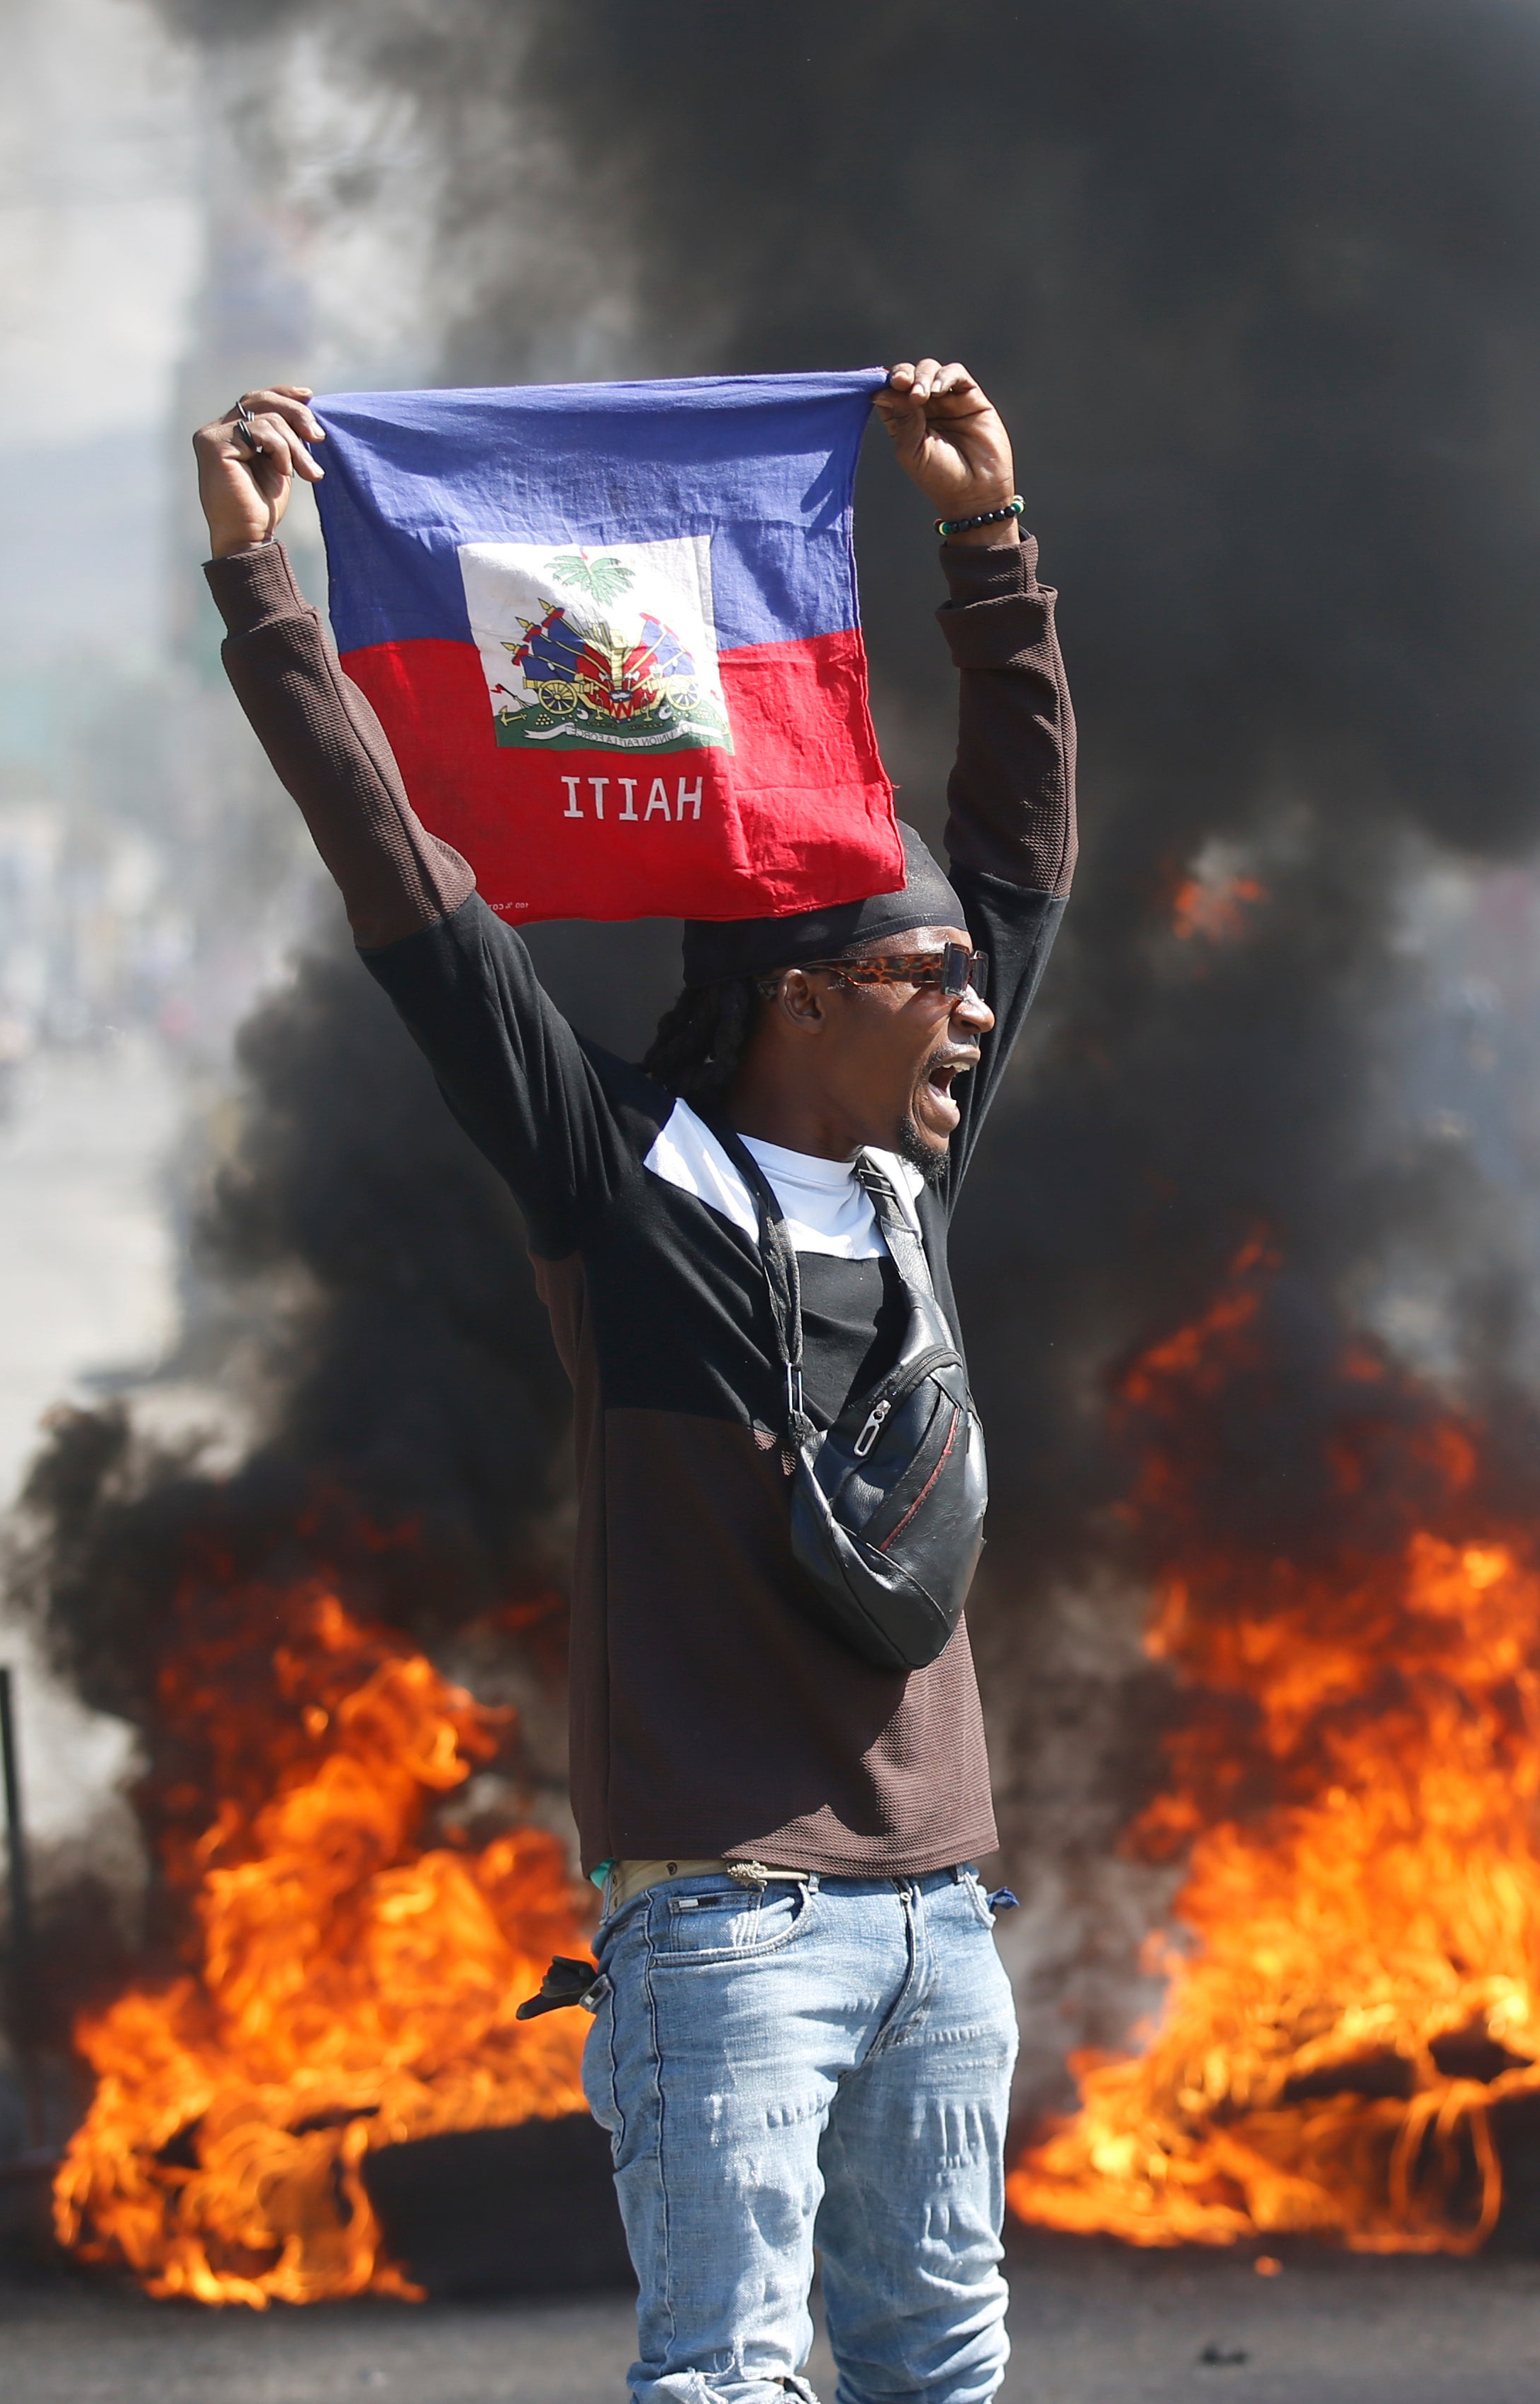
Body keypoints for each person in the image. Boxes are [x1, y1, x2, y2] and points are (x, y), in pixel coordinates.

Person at [194, 361, 1070, 2404]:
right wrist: (269, 596)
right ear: (797, 999)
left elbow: (1022, 858)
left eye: (963, 982)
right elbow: (410, 887)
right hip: (728, 1931)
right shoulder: (625, 1181)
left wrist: (985, 546)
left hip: (944, 1913)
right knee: (730, 2374)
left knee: (941, 2358)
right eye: (924, 975)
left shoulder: (906, 1186)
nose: (971, 1002)